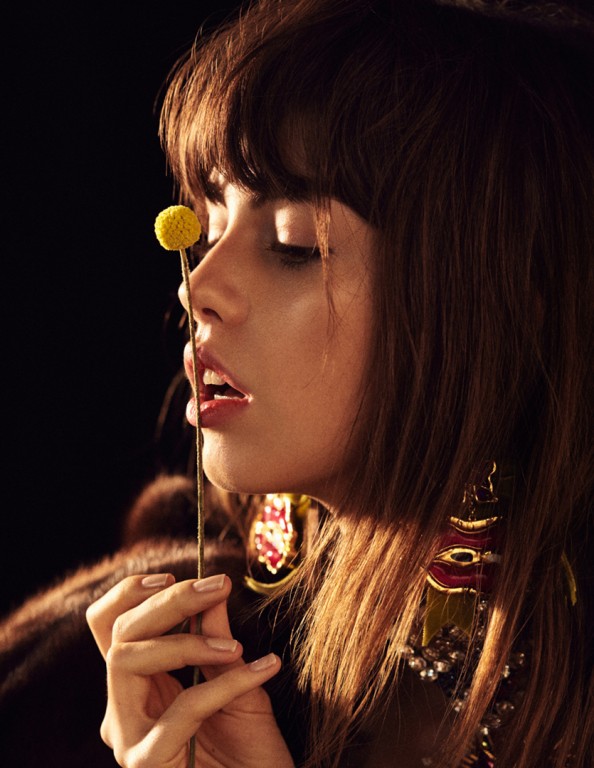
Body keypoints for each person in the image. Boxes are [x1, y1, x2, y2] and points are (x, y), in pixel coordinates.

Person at [2, 0, 592, 766]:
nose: (196, 287)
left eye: (292, 244)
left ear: (504, 300)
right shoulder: (158, 648)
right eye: (210, 229)